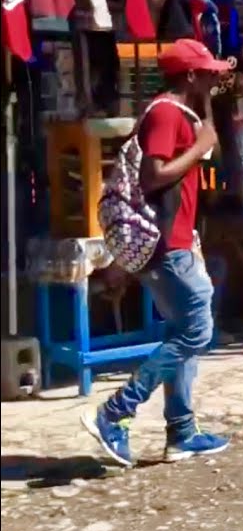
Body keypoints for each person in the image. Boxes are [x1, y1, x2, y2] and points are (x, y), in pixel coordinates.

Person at [82, 38, 230, 467]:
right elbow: (153, 176)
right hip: (167, 245)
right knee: (196, 332)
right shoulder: (166, 113)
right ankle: (115, 412)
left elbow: (202, 145)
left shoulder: (182, 111)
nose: (215, 79)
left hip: (175, 242)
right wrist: (199, 148)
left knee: (182, 333)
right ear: (190, 75)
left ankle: (181, 432)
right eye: (208, 73)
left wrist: (206, 115)